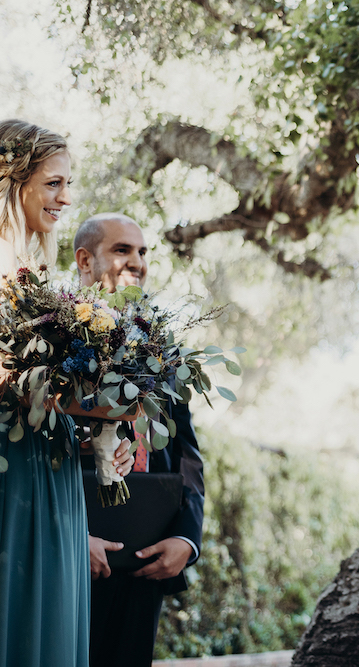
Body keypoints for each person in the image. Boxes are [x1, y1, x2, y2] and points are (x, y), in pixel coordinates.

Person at [0, 119, 132, 666]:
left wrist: (94, 430)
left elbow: (44, 397)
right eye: (53, 183)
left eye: (68, 183)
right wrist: (89, 399)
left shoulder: (39, 278)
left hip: (51, 472)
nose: (66, 197)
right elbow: (16, 384)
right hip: (10, 478)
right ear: (12, 182)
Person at [75, 212, 205, 666]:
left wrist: (187, 540)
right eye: (122, 249)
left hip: (148, 564)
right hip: (74, 561)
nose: (137, 261)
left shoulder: (163, 347)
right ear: (85, 261)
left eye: (143, 251)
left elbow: (187, 455)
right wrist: (71, 538)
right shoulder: (55, 342)